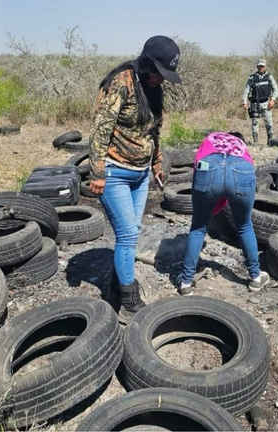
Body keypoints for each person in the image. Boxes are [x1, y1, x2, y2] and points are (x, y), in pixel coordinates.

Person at [88, 36, 182, 323]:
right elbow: (100, 129)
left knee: (133, 231)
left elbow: (154, 131)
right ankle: (129, 301)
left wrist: (156, 163)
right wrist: (97, 172)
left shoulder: (154, 90)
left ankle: (116, 291)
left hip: (141, 174)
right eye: (159, 73)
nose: (161, 80)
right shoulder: (121, 83)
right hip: (115, 171)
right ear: (146, 64)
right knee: (128, 234)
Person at [175, 131, 270, 296]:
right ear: (238, 139)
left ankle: (186, 282)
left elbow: (197, 167)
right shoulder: (241, 145)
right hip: (242, 168)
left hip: (208, 166)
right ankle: (255, 277)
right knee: (244, 225)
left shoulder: (211, 138)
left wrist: (209, 208)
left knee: (198, 227)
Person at [241, 59, 278, 146]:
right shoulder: (252, 78)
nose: (260, 68)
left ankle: (270, 142)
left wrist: (273, 100)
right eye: (259, 66)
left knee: (269, 123)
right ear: (257, 67)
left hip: (266, 103)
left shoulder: (269, 77)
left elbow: (276, 89)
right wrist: (244, 102)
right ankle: (256, 142)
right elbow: (246, 91)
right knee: (255, 123)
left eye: (262, 66)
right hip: (255, 104)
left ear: (265, 67)